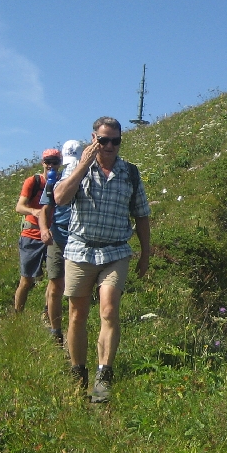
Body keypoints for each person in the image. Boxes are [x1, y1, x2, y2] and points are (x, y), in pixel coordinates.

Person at [53, 118, 150, 402]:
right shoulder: (76, 168)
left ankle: (104, 375)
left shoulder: (129, 172)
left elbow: (142, 214)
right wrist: (83, 165)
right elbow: (59, 198)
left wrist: (146, 253)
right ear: (93, 138)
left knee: (108, 310)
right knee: (77, 314)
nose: (109, 147)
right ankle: (77, 371)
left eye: (115, 141)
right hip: (80, 250)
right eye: (103, 140)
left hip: (115, 251)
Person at [38, 139, 82, 346]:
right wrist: (45, 230)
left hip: (79, 237)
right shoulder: (54, 179)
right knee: (56, 284)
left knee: (75, 288)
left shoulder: (87, 176)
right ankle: (55, 330)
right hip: (58, 235)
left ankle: (74, 327)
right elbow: (45, 209)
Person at [14, 148, 61, 314]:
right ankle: (18, 313)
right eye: (48, 162)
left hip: (53, 235)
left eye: (55, 162)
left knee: (54, 278)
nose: (51, 165)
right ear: (43, 163)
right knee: (26, 280)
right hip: (31, 235)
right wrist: (34, 211)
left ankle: (47, 312)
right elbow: (19, 207)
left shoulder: (61, 182)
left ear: (60, 163)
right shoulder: (33, 182)